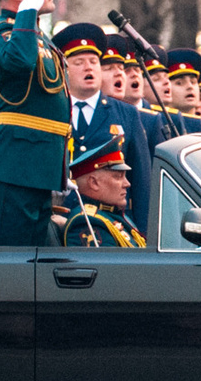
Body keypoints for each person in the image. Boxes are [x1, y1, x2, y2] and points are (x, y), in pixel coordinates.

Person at [0, 0, 70, 248]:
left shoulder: (36, 36)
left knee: (33, 270)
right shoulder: (5, 34)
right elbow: (19, 62)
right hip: (14, 169)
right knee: (8, 270)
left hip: (38, 168)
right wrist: (27, 11)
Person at [55, 22, 154, 230]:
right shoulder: (52, 112)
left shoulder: (126, 114)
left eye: (94, 61)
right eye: (79, 62)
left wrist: (144, 235)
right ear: (63, 69)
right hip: (60, 227)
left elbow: (142, 184)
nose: (88, 67)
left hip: (111, 229)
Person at [59, 139, 147, 247]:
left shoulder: (116, 216)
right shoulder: (87, 222)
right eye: (118, 177)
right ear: (94, 183)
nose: (127, 184)